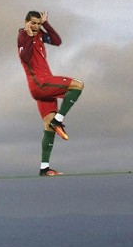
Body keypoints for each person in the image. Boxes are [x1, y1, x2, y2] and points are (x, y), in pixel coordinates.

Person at [17, 11, 84, 176]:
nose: (35, 26)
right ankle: (58, 120)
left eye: (38, 23)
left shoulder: (40, 33)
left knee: (48, 127)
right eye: (33, 23)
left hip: (43, 87)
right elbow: (25, 56)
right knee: (78, 85)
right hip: (40, 83)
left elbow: (57, 41)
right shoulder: (22, 36)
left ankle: (44, 168)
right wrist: (29, 34)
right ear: (26, 22)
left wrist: (46, 24)